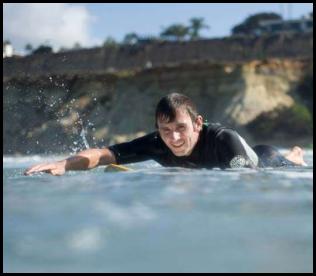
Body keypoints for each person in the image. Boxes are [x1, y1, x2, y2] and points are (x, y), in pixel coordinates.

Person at [24, 93, 307, 176]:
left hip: (264, 158)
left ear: (197, 123)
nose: (173, 139)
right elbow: (103, 154)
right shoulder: (157, 144)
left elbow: (252, 185)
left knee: (286, 161)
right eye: (166, 130)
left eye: (181, 128)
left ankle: (295, 154)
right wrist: (65, 164)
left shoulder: (224, 140)